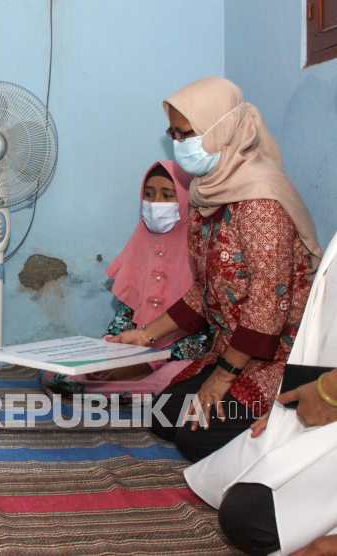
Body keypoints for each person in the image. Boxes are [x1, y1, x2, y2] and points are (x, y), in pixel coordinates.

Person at [109, 77, 321, 462]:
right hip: (234, 348)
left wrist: (221, 379)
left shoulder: (260, 202)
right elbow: (207, 291)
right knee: (163, 416)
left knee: (194, 441)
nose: (178, 143)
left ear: (219, 131)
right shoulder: (209, 194)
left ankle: (290, 427)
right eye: (172, 133)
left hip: (276, 357)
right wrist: (145, 335)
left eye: (186, 134)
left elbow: (266, 304)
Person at [184, 228, 337, 556]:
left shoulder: (263, 214)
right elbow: (323, 335)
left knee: (249, 518)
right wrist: (295, 401)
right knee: (182, 426)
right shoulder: (205, 216)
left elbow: (268, 311)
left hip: (271, 370)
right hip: (309, 390)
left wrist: (329, 393)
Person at [45, 161, 213, 397]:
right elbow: (124, 317)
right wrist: (108, 355)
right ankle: (117, 389)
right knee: (57, 373)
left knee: (169, 382)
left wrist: (147, 364)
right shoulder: (139, 241)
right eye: (149, 194)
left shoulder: (204, 248)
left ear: (187, 198)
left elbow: (206, 334)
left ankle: (129, 389)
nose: (155, 203)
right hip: (135, 349)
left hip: (183, 353)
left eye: (167, 195)